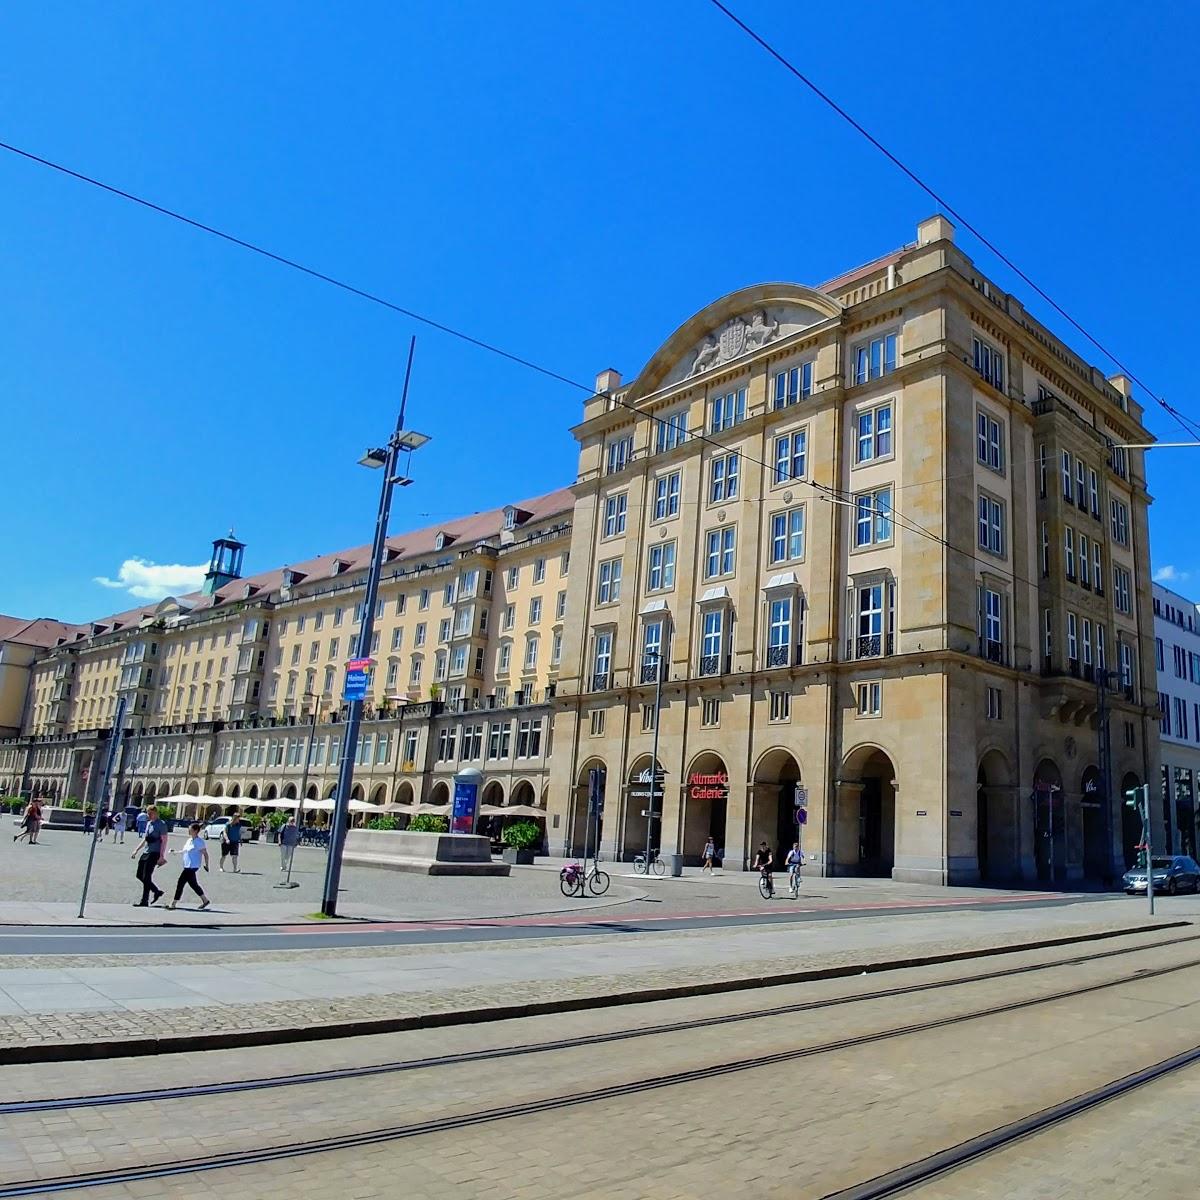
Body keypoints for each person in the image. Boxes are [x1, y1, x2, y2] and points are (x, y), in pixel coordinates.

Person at [130, 804, 168, 906]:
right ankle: (156, 891)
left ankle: (144, 901)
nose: (149, 815)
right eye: (148, 813)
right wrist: (136, 850)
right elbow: (145, 839)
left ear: (156, 813)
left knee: (147, 877)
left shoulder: (162, 824)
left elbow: (164, 841)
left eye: (150, 813)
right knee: (139, 875)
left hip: (155, 853)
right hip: (146, 851)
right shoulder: (149, 824)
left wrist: (161, 855)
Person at [166, 823, 210, 911]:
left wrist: (206, 864)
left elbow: (205, 854)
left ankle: (174, 903)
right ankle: (205, 900)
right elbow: (185, 851)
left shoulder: (199, 842)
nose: (189, 831)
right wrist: (175, 851)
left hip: (193, 866)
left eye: (190, 829)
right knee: (193, 884)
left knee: (180, 882)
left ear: (196, 831)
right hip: (187, 865)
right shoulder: (189, 840)